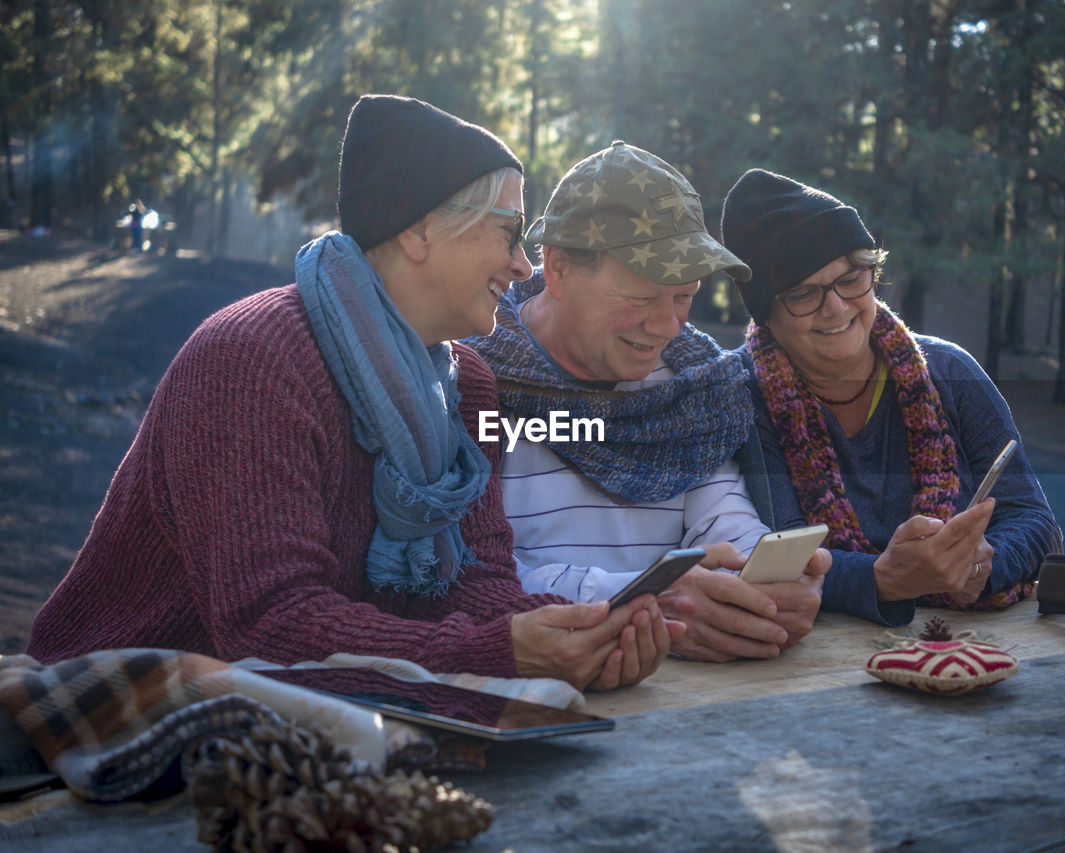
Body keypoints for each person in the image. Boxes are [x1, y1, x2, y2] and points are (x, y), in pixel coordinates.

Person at [26, 95, 677, 692]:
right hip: (129, 703)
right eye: (509, 232)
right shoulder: (252, 358)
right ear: (418, 230)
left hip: (329, 716)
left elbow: (480, 589)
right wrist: (497, 651)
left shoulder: (468, 386)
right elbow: (272, 628)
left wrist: (592, 626)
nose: (524, 265)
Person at [467, 142, 830, 663]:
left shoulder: (695, 386)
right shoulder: (466, 381)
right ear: (559, 267)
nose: (667, 325)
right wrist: (636, 599)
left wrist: (764, 585)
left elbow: (724, 519)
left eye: (684, 296)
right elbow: (462, 572)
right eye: (641, 297)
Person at [720, 168, 1061, 626]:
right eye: (804, 293)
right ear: (765, 315)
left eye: (851, 278)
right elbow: (770, 549)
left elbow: (1034, 519)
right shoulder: (738, 395)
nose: (837, 306)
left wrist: (982, 565)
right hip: (811, 666)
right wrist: (881, 580)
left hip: (973, 645)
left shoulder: (950, 371)